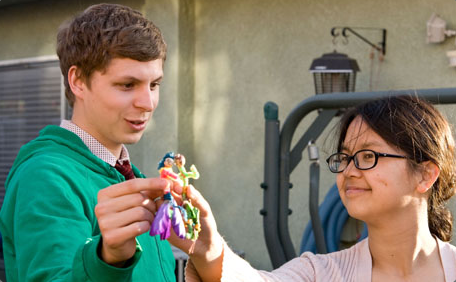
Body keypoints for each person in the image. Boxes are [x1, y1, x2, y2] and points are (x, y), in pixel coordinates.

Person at [0, 3, 186, 281]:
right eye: (127, 85)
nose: (147, 103)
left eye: (154, 85)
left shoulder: (126, 174)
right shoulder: (45, 178)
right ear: (78, 81)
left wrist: (204, 251)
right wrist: (107, 260)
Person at [182, 95, 456, 282]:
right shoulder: (320, 273)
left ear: (426, 175)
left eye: (369, 156)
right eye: (345, 157)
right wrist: (208, 247)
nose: (349, 171)